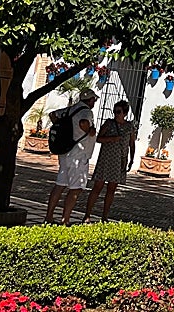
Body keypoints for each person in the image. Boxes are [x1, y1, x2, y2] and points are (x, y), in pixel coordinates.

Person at [45, 88, 99, 225]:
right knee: (76, 188)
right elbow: (83, 123)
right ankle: (65, 219)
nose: (94, 102)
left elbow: (52, 115)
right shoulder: (86, 112)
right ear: (91, 99)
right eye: (94, 99)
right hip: (79, 155)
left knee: (60, 184)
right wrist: (90, 131)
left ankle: (49, 216)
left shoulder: (70, 109)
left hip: (65, 152)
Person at [83, 99, 138, 222]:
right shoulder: (109, 123)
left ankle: (105, 216)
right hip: (106, 159)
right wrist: (111, 139)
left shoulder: (129, 127)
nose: (115, 114)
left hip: (119, 161)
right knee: (97, 187)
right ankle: (87, 215)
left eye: (118, 111)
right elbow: (98, 138)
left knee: (111, 189)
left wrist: (131, 159)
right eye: (114, 111)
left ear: (125, 113)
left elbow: (132, 144)